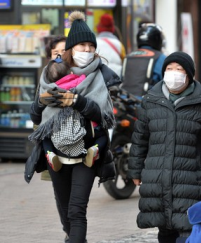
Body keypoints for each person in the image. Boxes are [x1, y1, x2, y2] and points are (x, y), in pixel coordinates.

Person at [27, 11, 116, 243]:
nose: (86, 50)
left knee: (77, 211)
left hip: (88, 152)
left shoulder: (101, 75)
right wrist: (41, 101)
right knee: (66, 214)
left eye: (90, 45)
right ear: (70, 49)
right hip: (56, 153)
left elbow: (105, 117)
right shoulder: (52, 73)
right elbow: (35, 114)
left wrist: (79, 102)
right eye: (81, 45)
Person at [128, 51, 201, 243]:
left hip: (189, 180)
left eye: (179, 69)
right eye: (169, 69)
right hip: (157, 179)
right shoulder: (150, 102)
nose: (173, 74)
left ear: (188, 74)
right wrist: (135, 171)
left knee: (188, 231)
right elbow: (140, 139)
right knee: (164, 230)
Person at [37, 55, 107, 171]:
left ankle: (50, 153)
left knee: (45, 136)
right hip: (80, 130)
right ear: (70, 71)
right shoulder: (80, 81)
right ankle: (95, 148)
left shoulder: (50, 90)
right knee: (103, 134)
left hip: (57, 132)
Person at [120, 23, 167, 97]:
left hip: (125, 101)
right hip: (148, 104)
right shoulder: (160, 57)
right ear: (158, 39)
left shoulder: (128, 57)